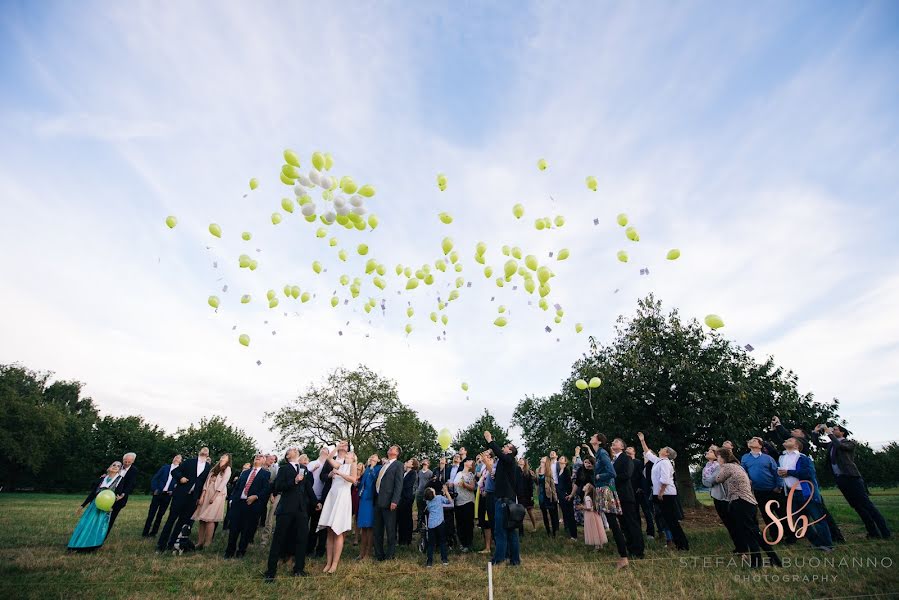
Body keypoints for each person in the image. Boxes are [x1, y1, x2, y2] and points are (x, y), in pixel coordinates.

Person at [819, 424, 891, 540]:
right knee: (857, 506)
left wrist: (829, 433)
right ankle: (872, 532)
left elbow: (841, 447)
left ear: (842, 433)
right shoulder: (832, 444)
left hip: (852, 477)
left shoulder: (849, 443)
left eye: (835, 429)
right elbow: (818, 444)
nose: (833, 430)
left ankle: (885, 532)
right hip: (840, 478)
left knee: (867, 505)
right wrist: (815, 432)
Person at [714, 448, 782, 568]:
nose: (717, 459)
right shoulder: (738, 466)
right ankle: (767, 560)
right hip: (749, 502)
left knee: (751, 533)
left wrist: (715, 469)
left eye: (718, 457)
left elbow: (717, 479)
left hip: (739, 502)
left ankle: (764, 561)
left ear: (722, 457)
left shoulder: (727, 467)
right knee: (753, 532)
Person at [264, 449, 320, 581]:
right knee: (279, 538)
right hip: (286, 508)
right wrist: (294, 481)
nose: (294, 449)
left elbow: (308, 488)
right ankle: (271, 571)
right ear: (288, 456)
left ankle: (299, 569)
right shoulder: (283, 469)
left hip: (301, 509)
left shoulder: (303, 469)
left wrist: (315, 502)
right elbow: (278, 486)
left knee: (302, 538)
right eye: (291, 450)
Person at [777, 437, 833, 551]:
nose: (787, 440)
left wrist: (788, 472)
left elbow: (808, 473)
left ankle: (827, 545)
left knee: (817, 518)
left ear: (797, 446)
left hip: (806, 492)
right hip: (792, 493)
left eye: (790, 440)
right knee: (799, 521)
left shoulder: (802, 457)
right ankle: (817, 543)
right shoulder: (782, 458)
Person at [637, 432, 689, 550]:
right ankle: (678, 543)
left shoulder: (665, 463)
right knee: (667, 519)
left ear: (667, 453)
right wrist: (642, 440)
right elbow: (648, 453)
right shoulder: (658, 461)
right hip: (660, 493)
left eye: (663, 448)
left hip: (666, 494)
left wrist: (660, 493)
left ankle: (682, 544)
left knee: (671, 520)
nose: (660, 449)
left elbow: (665, 480)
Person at [587, 434, 629, 569]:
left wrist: (599, 475)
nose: (591, 437)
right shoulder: (598, 454)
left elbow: (612, 473)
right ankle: (623, 556)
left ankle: (623, 557)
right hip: (601, 489)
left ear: (598, 441)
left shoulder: (603, 453)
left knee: (614, 524)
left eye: (594, 436)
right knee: (613, 524)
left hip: (606, 491)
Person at [157, 447, 210, 552]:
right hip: (180, 495)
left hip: (192, 499)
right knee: (171, 519)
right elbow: (175, 472)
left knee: (182, 522)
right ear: (199, 452)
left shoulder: (208, 467)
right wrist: (180, 478)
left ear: (208, 455)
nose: (205, 451)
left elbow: (204, 483)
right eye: (203, 449)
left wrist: (200, 497)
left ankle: (172, 543)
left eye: (207, 450)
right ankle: (161, 544)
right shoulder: (189, 462)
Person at [317, 449, 358, 574]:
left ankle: (335, 563)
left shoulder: (352, 465)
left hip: (342, 497)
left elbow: (353, 479)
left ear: (353, 457)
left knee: (338, 530)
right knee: (330, 530)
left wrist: (339, 474)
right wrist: (337, 447)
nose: (347, 454)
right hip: (333, 496)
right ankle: (328, 562)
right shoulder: (340, 465)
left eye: (350, 453)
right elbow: (329, 458)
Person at [483, 430, 520, 567]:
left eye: (507, 446)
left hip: (504, 501)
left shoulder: (509, 460)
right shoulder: (505, 464)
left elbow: (499, 453)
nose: (504, 447)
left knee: (500, 531)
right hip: (506, 499)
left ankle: (499, 560)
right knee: (510, 531)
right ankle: (514, 560)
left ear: (510, 451)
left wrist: (490, 440)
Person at [68, 461, 123, 552]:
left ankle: (90, 546)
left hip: (106, 506)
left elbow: (117, 495)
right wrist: (83, 505)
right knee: (86, 523)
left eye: (118, 466)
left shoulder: (120, 479)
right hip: (94, 504)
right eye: (114, 465)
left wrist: (112, 505)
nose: (115, 467)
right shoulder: (103, 478)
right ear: (110, 467)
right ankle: (76, 545)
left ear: (120, 470)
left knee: (98, 526)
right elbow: (93, 493)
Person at [224, 453, 270, 558]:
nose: (258, 457)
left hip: (252, 504)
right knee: (234, 528)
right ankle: (229, 551)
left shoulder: (265, 474)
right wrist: (232, 500)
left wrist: (256, 496)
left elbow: (266, 489)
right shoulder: (245, 473)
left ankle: (241, 551)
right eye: (256, 456)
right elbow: (237, 487)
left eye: (261, 456)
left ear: (264, 461)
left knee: (246, 529)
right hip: (238, 503)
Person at [740, 437, 784, 537]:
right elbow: (743, 471)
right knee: (767, 515)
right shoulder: (745, 458)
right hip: (759, 491)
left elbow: (776, 472)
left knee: (781, 513)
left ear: (760, 445)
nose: (751, 441)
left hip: (773, 490)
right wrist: (747, 479)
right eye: (750, 440)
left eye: (754, 440)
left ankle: (790, 535)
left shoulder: (768, 458)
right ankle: (775, 536)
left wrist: (779, 486)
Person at [610, 437, 644, 559]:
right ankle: (630, 548)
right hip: (616, 496)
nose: (613, 442)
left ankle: (638, 550)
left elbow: (626, 475)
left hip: (626, 495)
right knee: (623, 524)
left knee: (631, 523)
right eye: (613, 441)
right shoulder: (613, 460)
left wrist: (610, 478)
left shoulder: (626, 458)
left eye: (616, 441)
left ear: (622, 447)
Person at [701, 445, 738, 552]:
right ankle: (738, 545)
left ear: (716, 455)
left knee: (732, 521)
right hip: (716, 496)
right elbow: (705, 482)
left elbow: (712, 480)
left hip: (724, 497)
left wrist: (708, 480)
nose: (707, 452)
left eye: (710, 451)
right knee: (727, 522)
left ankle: (741, 545)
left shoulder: (719, 466)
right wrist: (708, 480)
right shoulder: (707, 466)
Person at [191, 453, 231, 549]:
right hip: (207, 493)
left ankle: (207, 543)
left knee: (209, 518)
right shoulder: (214, 468)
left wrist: (215, 496)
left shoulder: (227, 469)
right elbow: (206, 482)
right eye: (222, 455)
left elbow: (223, 482)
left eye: (225, 456)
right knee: (202, 519)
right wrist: (202, 496)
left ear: (228, 459)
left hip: (217, 495)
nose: (222, 457)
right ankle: (200, 541)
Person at [373, 444, 404, 561]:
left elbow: (399, 484)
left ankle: (390, 555)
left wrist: (395, 500)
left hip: (389, 501)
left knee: (390, 529)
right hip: (378, 500)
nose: (389, 449)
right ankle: (379, 554)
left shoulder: (398, 465)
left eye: (393, 448)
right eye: (390, 448)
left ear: (396, 453)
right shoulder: (384, 465)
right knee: (377, 529)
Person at [143, 454, 182, 538]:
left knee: (160, 515)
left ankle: (153, 533)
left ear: (180, 461)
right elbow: (155, 478)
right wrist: (155, 489)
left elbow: (179, 485)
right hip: (158, 493)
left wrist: (173, 492)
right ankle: (145, 532)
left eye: (178, 458)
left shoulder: (180, 472)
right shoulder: (165, 468)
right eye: (175, 457)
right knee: (151, 514)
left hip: (167, 496)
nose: (176, 458)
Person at [106, 452, 137, 537]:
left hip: (119, 498)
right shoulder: (117, 466)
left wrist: (123, 494)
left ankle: (104, 535)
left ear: (133, 461)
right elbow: (108, 474)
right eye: (125, 461)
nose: (126, 463)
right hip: (107, 496)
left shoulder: (134, 470)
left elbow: (131, 485)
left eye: (129, 462)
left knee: (111, 518)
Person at [626, 446, 654, 538]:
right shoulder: (626, 463)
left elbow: (642, 476)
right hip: (631, 491)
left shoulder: (638, 462)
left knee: (646, 512)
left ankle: (650, 533)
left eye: (630, 448)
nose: (627, 449)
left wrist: (640, 487)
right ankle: (637, 531)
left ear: (634, 452)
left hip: (640, 491)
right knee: (635, 512)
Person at [307, 447, 330, 557]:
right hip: (311, 496)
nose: (325, 450)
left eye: (327, 450)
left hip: (324, 497)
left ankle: (320, 550)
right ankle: (308, 548)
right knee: (311, 525)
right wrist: (312, 470)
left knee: (321, 525)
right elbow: (305, 476)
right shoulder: (312, 463)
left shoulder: (329, 465)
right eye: (323, 449)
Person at [356, 454, 380, 560]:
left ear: (378, 460)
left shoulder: (378, 468)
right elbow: (362, 482)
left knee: (370, 527)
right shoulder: (366, 469)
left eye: (374, 457)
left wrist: (372, 467)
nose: (372, 458)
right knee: (363, 527)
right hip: (363, 499)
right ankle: (361, 552)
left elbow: (376, 480)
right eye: (371, 457)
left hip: (371, 499)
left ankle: (369, 553)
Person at [423, 485, 454, 567]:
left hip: (431, 525)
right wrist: (446, 492)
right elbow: (450, 502)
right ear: (433, 493)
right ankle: (444, 560)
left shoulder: (428, 502)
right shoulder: (439, 498)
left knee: (431, 544)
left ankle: (429, 562)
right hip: (440, 523)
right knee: (442, 542)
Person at [453, 458, 476, 552]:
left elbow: (472, 487)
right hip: (458, 501)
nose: (468, 461)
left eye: (470, 461)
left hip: (468, 502)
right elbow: (454, 484)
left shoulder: (471, 475)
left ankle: (468, 543)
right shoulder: (458, 474)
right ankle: (462, 543)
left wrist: (464, 484)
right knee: (459, 523)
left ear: (471, 466)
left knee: (468, 523)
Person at [576, 483, 607, 550]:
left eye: (586, 486)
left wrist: (582, 507)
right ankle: (600, 545)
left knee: (593, 530)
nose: (584, 486)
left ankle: (597, 546)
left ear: (588, 489)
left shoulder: (587, 497)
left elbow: (589, 507)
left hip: (590, 515)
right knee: (597, 529)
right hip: (595, 515)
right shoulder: (591, 497)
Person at [477, 451, 495, 554]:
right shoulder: (483, 467)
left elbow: (491, 475)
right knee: (484, 521)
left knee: (490, 521)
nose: (483, 455)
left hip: (490, 495)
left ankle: (492, 545)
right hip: (482, 495)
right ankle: (487, 546)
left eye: (486, 454)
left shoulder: (492, 465)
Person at [537, 456, 559, 537]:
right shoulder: (537, 470)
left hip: (548, 495)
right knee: (544, 514)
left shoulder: (549, 471)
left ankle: (554, 532)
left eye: (543, 458)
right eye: (541, 458)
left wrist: (555, 497)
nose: (542, 459)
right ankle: (548, 531)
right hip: (541, 495)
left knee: (552, 514)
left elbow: (552, 485)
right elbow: (537, 483)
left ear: (546, 461)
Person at [556, 455, 577, 541]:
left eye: (562, 458)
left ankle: (574, 535)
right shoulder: (559, 470)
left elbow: (569, 483)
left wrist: (567, 494)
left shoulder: (566, 470)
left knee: (570, 515)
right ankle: (569, 533)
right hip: (560, 496)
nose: (560, 459)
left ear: (565, 462)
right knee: (565, 514)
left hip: (566, 496)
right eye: (560, 458)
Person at [397, 458, 417, 545]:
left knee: (407, 518)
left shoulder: (413, 473)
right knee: (401, 518)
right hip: (402, 497)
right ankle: (401, 539)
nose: (407, 462)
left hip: (407, 498)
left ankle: (407, 539)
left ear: (412, 465)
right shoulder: (404, 473)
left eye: (409, 462)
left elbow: (407, 485)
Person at [516, 458, 537, 532]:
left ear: (525, 463)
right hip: (519, 495)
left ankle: (535, 527)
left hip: (527, 495)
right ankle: (521, 530)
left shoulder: (528, 472)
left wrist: (531, 496)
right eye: (520, 460)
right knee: (520, 512)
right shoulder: (516, 471)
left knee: (530, 511)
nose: (521, 461)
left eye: (522, 460)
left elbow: (530, 485)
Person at [415, 459, 433, 530]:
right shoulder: (419, 472)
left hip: (426, 493)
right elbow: (417, 481)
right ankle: (418, 527)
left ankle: (426, 526)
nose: (424, 462)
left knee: (426, 509)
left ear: (428, 464)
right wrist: (416, 489)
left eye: (426, 461)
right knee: (419, 510)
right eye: (423, 461)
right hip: (419, 492)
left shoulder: (430, 473)